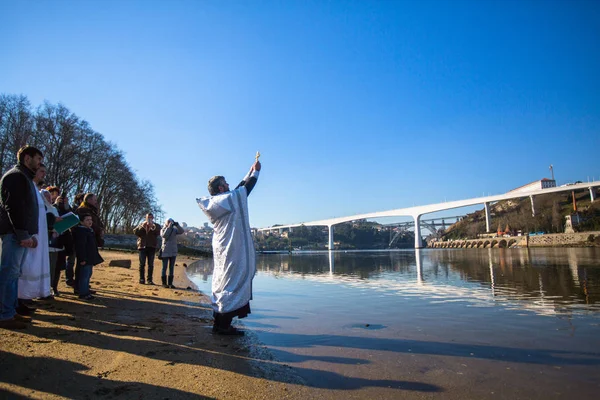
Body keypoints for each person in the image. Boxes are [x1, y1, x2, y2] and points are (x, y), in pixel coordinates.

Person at [197, 159, 261, 336]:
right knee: (232, 282)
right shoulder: (226, 200)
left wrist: (248, 173)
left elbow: (237, 192)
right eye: (225, 183)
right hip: (231, 249)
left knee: (222, 282)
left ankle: (218, 324)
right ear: (220, 188)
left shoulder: (218, 203)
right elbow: (243, 191)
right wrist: (256, 173)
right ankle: (224, 327)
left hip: (223, 248)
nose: (228, 185)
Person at [0, 145, 43, 329]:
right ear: (27, 158)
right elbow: (14, 208)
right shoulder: (15, 176)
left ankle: (10, 310)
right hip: (14, 233)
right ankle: (4, 314)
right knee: (9, 273)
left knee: (14, 274)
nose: (40, 163)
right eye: (38, 159)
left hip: (20, 233)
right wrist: (23, 234)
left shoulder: (24, 177)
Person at [18, 167, 53, 303]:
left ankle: (29, 294)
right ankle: (22, 296)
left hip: (39, 236)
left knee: (36, 265)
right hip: (30, 235)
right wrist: (27, 234)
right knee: (27, 267)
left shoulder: (36, 191)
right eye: (41, 170)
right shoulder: (28, 187)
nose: (44, 174)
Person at [72, 214, 103, 300]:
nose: (90, 222)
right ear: (81, 222)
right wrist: (82, 258)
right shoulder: (81, 232)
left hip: (90, 257)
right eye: (87, 220)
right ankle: (83, 293)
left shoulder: (90, 230)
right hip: (85, 258)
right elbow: (80, 247)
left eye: (90, 220)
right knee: (84, 276)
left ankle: (86, 291)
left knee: (88, 274)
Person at [133, 213, 161, 285]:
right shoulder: (142, 224)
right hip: (142, 246)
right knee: (142, 264)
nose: (149, 219)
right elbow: (136, 232)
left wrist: (152, 227)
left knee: (150, 264)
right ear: (146, 218)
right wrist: (143, 226)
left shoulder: (156, 226)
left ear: (153, 218)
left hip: (151, 246)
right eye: (148, 218)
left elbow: (158, 233)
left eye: (151, 218)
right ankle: (142, 279)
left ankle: (149, 280)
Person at [159, 218, 184, 288]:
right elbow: (164, 235)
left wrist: (177, 225)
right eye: (168, 222)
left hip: (173, 251)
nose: (170, 223)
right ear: (165, 222)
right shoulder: (162, 229)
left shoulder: (174, 230)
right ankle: (164, 283)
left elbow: (182, 231)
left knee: (171, 267)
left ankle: (170, 283)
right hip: (165, 251)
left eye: (171, 222)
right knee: (164, 267)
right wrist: (169, 227)